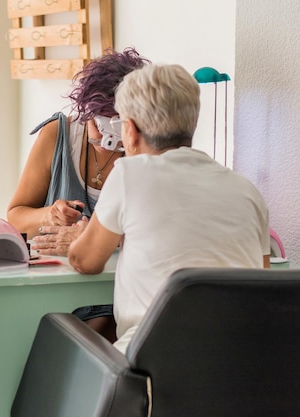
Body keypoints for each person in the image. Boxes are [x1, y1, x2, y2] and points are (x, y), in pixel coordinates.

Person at [68, 64, 271, 353]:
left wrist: (84, 235)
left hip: (155, 368)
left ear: (130, 130)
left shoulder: (128, 173)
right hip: (240, 368)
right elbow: (262, 289)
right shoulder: (248, 192)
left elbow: (85, 261)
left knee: (58, 329)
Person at [7, 48, 150, 256]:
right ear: (85, 111)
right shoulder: (56, 135)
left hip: (118, 278)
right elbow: (15, 216)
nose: (105, 138)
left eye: (117, 125)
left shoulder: (147, 147)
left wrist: (94, 238)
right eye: (99, 123)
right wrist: (50, 215)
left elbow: (160, 228)